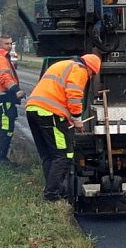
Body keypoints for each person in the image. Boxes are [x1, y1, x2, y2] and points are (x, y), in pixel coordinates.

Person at [25, 53, 101, 202]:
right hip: (49, 113)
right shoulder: (79, 70)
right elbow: (74, 94)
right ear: (91, 68)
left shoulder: (62, 65)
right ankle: (53, 194)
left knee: (48, 155)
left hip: (33, 110)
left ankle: (52, 188)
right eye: (92, 74)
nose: (90, 77)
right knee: (63, 155)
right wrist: (77, 120)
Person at [0, 34, 26, 164]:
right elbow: (4, 78)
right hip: (2, 98)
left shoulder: (4, 58)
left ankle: (2, 156)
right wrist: (16, 90)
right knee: (6, 127)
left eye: (11, 43)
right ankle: (1, 157)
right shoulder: (0, 59)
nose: (9, 46)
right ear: (0, 44)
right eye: (6, 44)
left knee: (7, 127)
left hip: (5, 98)